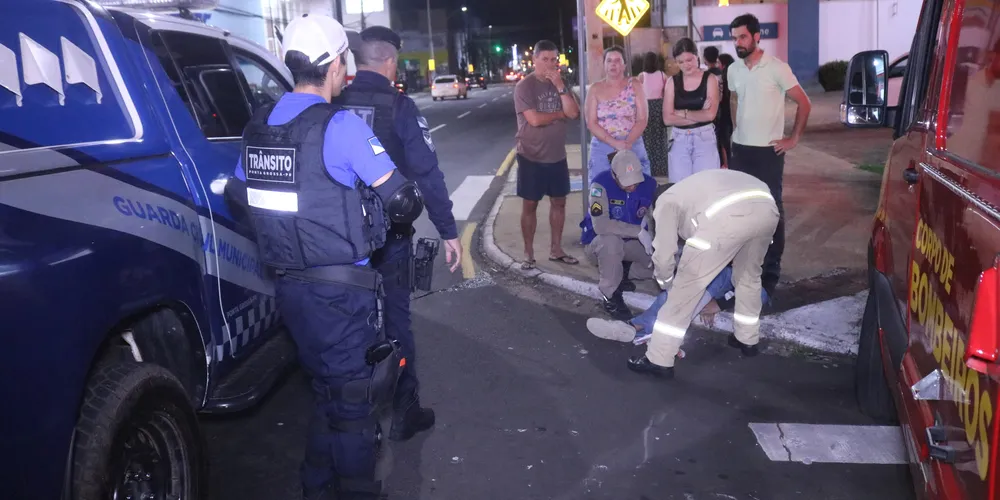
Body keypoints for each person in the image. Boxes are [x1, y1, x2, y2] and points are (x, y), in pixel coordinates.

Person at [233, 14, 424, 499]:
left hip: (291, 290)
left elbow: (240, 194)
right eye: (346, 61)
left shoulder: (260, 125)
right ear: (336, 64)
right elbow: (403, 201)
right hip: (342, 294)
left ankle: (314, 488)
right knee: (355, 406)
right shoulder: (339, 126)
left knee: (326, 393)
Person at [334, 25, 461, 444]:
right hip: (388, 237)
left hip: (338, 240)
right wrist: (448, 230)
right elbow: (426, 172)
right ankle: (404, 411)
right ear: (390, 61)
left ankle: (354, 418)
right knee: (396, 320)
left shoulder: (332, 103)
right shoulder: (399, 106)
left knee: (349, 326)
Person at [626, 169, 779, 379]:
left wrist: (666, 282)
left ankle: (659, 359)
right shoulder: (693, 188)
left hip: (726, 220)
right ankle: (747, 339)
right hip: (766, 210)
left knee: (683, 295)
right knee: (748, 276)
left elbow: (663, 254)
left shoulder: (666, 202)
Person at [727, 13, 812, 296]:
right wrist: (736, 132)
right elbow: (733, 98)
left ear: (756, 36)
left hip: (768, 152)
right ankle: (742, 263)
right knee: (741, 209)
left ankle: (770, 271)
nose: (737, 42)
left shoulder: (777, 68)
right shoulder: (734, 70)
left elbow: (804, 102)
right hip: (741, 149)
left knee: (771, 210)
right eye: (734, 37)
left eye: (742, 37)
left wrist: (793, 138)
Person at [514, 39, 581, 270]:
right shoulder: (525, 87)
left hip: (557, 155)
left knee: (559, 202)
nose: (550, 64)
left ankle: (556, 249)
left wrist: (560, 85)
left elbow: (573, 113)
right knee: (530, 205)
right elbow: (533, 120)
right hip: (531, 155)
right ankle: (528, 254)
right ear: (535, 60)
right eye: (545, 60)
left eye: (554, 60)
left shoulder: (560, 83)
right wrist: (557, 114)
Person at [580, 150, 657, 320]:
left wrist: (655, 239)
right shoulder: (600, 185)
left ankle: (620, 273)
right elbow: (601, 226)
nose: (632, 186)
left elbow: (653, 217)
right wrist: (637, 231)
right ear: (614, 175)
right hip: (599, 244)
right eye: (626, 183)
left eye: (635, 181)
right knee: (610, 241)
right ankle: (610, 294)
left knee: (659, 264)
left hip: (630, 245)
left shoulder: (650, 184)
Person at [584, 46, 651, 185]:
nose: (613, 64)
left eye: (617, 60)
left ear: (624, 65)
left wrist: (627, 143)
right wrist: (614, 143)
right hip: (603, 146)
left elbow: (642, 119)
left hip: (632, 143)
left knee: (637, 190)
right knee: (601, 191)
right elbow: (591, 122)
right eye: (609, 61)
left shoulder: (635, 85)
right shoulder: (595, 89)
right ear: (604, 65)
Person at [663, 38, 721, 183]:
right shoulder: (672, 82)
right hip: (679, 139)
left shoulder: (710, 79)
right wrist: (700, 113)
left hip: (704, 137)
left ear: (697, 56)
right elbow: (667, 119)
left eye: (689, 60)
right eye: (680, 62)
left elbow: (710, 115)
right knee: (680, 187)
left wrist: (682, 112)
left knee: (706, 186)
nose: (685, 65)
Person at [638, 52, 669, 177]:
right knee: (660, 139)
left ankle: (648, 167)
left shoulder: (641, 76)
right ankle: (661, 167)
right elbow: (666, 92)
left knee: (647, 140)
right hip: (659, 108)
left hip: (646, 108)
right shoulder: (663, 75)